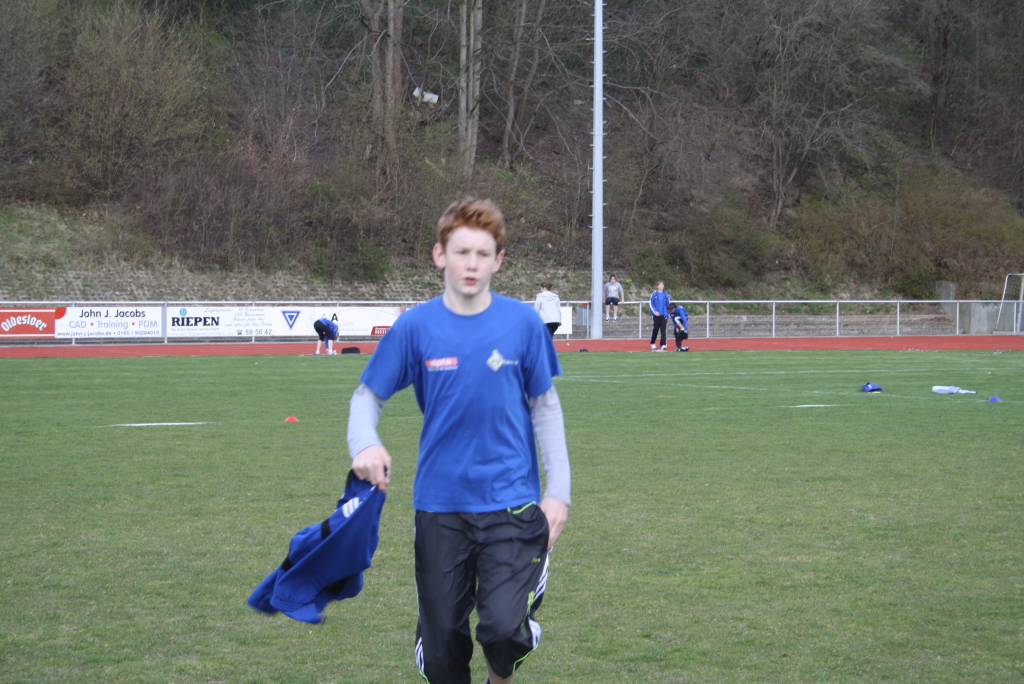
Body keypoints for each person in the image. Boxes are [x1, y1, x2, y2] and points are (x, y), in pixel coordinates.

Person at [346, 198, 571, 684]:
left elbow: (546, 408)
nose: (472, 263)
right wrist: (364, 442)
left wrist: (558, 493)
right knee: (443, 646)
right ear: (439, 255)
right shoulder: (415, 327)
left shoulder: (523, 325)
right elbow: (367, 397)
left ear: (499, 260)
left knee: (504, 630)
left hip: (511, 503)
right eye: (461, 251)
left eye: (483, 254)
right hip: (440, 507)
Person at [649, 280, 670, 351]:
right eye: (660, 285)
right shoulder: (654, 294)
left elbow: (668, 304)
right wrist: (655, 312)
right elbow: (651, 303)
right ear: (657, 286)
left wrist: (668, 314)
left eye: (662, 285)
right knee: (655, 329)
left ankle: (663, 344)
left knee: (663, 329)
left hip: (664, 314)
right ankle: (652, 342)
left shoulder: (666, 294)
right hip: (656, 315)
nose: (661, 286)